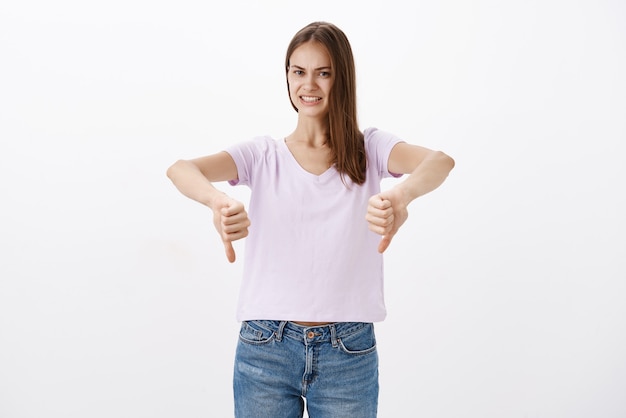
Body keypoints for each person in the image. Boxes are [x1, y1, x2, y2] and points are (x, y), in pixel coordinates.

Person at [166, 21, 454, 418]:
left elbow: (439, 161)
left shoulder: (369, 148)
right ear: (287, 76)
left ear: (342, 78)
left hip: (347, 351)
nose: (309, 85)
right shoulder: (261, 155)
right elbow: (181, 169)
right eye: (298, 72)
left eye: (323, 73)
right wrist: (217, 201)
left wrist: (402, 195)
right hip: (264, 348)